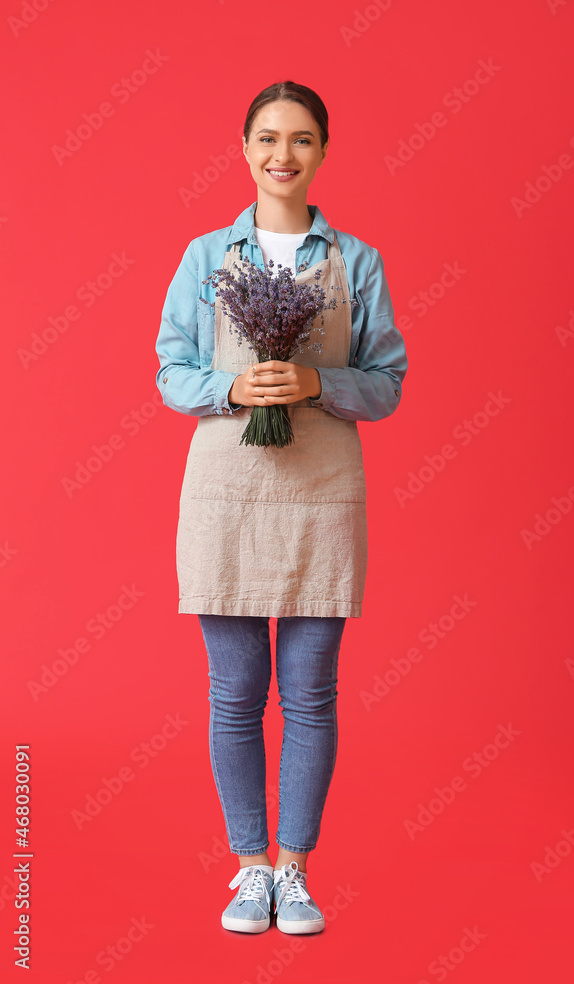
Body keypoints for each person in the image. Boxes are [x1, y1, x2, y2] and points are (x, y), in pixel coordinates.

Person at [155, 80, 408, 935]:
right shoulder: (204, 257)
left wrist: (319, 383)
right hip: (226, 491)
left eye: (301, 140)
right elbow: (169, 372)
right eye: (268, 138)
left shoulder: (356, 261)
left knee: (311, 692)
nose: (282, 156)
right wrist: (230, 385)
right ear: (244, 146)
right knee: (235, 691)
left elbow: (387, 384)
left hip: (322, 494)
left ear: (324, 152)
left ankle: (295, 870)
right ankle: (248, 867)